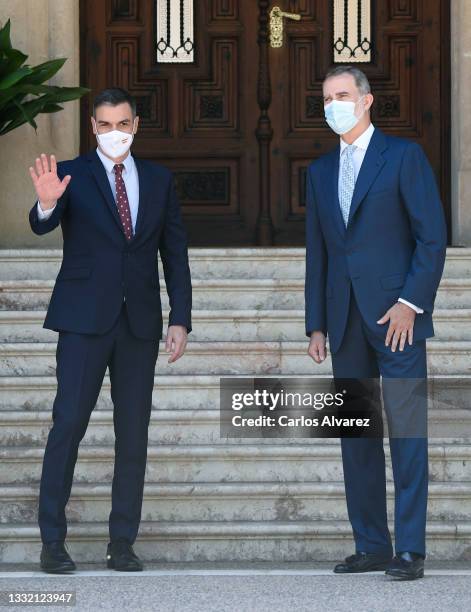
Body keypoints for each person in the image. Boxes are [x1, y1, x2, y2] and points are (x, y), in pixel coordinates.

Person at [28, 87, 192, 573]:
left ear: (135, 125)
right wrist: (44, 205)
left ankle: (122, 542)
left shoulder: (160, 181)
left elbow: (174, 253)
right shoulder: (71, 174)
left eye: (123, 124)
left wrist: (179, 317)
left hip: (139, 323)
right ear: (92, 128)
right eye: (105, 125)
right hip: (82, 320)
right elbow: (42, 224)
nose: (114, 133)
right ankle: (52, 541)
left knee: (133, 435)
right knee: (69, 425)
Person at [305, 66, 447, 580]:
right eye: (326, 98)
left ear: (366, 101)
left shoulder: (404, 157)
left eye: (342, 95)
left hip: (396, 319)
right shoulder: (319, 172)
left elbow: (432, 238)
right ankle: (372, 545)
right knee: (355, 437)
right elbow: (318, 252)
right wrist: (316, 323)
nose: (333, 104)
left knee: (408, 432)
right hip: (343, 321)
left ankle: (410, 549)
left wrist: (412, 302)